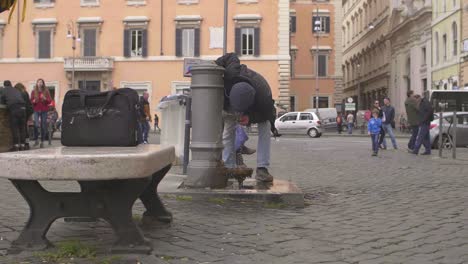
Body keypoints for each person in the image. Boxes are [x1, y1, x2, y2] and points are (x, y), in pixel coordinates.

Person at [215, 53, 277, 182]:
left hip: (255, 108)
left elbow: (268, 114)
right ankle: (228, 167)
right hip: (230, 101)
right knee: (229, 128)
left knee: (265, 127)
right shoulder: (230, 75)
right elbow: (230, 56)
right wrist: (215, 65)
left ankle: (262, 169)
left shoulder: (262, 93)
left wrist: (251, 118)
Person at [0, 80, 27, 151]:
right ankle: (23, 145)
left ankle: (16, 145)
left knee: (15, 127)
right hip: (23, 108)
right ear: (11, 84)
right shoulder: (16, 90)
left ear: (4, 85)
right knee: (22, 127)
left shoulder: (4, 90)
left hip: (14, 108)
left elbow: (2, 100)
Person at [31, 78, 52, 148]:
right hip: (36, 110)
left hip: (44, 110)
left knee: (43, 126)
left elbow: (50, 101)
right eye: (38, 82)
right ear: (37, 83)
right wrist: (33, 101)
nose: (40, 83)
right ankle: (36, 140)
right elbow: (31, 101)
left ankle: (42, 141)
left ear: (43, 84)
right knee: (36, 125)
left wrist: (45, 98)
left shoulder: (46, 91)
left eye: (41, 82)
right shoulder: (33, 91)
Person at [14, 83, 33, 150]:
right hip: (28, 111)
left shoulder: (19, 93)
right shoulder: (25, 92)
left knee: (21, 128)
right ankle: (26, 144)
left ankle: (22, 143)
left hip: (23, 111)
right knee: (25, 127)